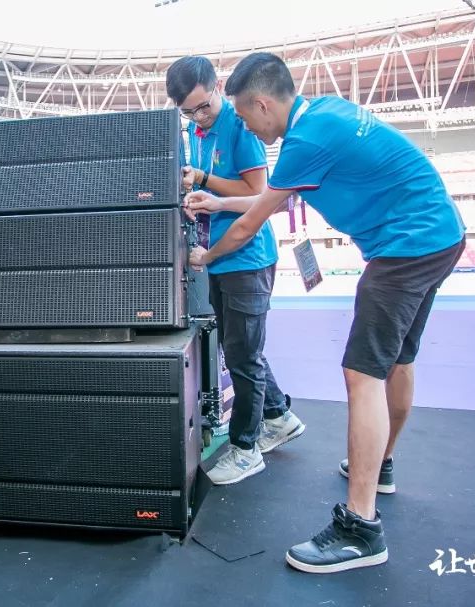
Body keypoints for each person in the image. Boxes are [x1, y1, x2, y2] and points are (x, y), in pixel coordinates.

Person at [184, 51, 466, 574]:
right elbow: (271, 199)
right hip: (441, 234)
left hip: (405, 247)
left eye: (245, 116)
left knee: (362, 375)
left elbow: (249, 224)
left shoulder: (303, 142)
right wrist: (217, 204)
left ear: (262, 104)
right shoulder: (325, 112)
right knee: (398, 361)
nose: (248, 127)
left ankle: (360, 529)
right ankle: (380, 465)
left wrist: (207, 256)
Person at [165, 56, 305, 486]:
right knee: (239, 349)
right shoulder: (197, 130)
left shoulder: (242, 126)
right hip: (222, 255)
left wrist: (204, 181)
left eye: (203, 106)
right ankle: (279, 416)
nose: (198, 116)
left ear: (217, 87)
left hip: (247, 257)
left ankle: (246, 448)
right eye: (188, 112)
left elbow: (260, 195)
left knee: (244, 357)